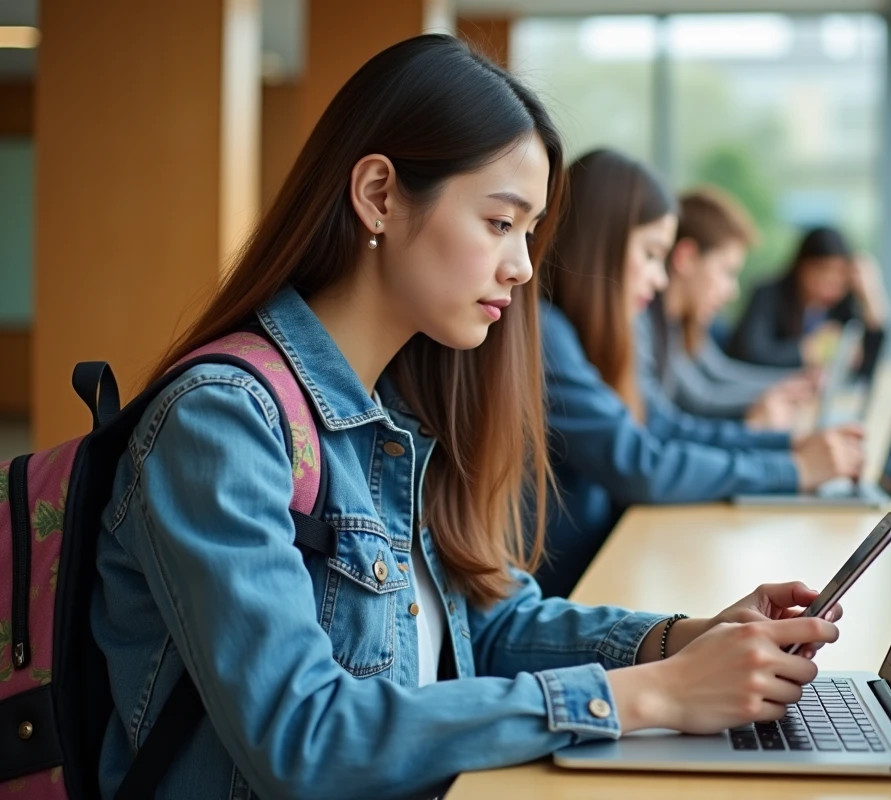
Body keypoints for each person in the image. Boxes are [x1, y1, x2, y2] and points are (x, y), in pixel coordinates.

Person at [91, 36, 842, 800]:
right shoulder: (223, 422)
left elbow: (486, 622)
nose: (522, 265)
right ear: (379, 194)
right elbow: (303, 736)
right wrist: (648, 695)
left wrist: (681, 642)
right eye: (499, 222)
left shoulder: (398, 406)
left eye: (529, 232)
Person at [537, 150, 864, 599]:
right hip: (575, 586)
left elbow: (664, 425)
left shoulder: (574, 332)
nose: (658, 279)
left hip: (594, 574)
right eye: (652, 255)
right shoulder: (547, 334)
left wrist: (787, 444)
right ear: (603, 245)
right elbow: (640, 464)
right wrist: (791, 467)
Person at [640, 186, 817, 428]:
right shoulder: (647, 323)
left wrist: (789, 384)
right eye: (727, 271)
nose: (732, 291)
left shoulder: (682, 323)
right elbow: (701, 398)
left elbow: (719, 372)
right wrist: (765, 406)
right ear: (688, 258)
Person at [727, 226, 889, 377]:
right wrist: (808, 351)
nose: (831, 284)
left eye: (840, 276)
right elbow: (748, 352)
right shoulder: (769, 294)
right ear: (801, 267)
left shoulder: (841, 306)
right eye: (823, 271)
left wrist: (871, 296)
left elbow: (868, 368)